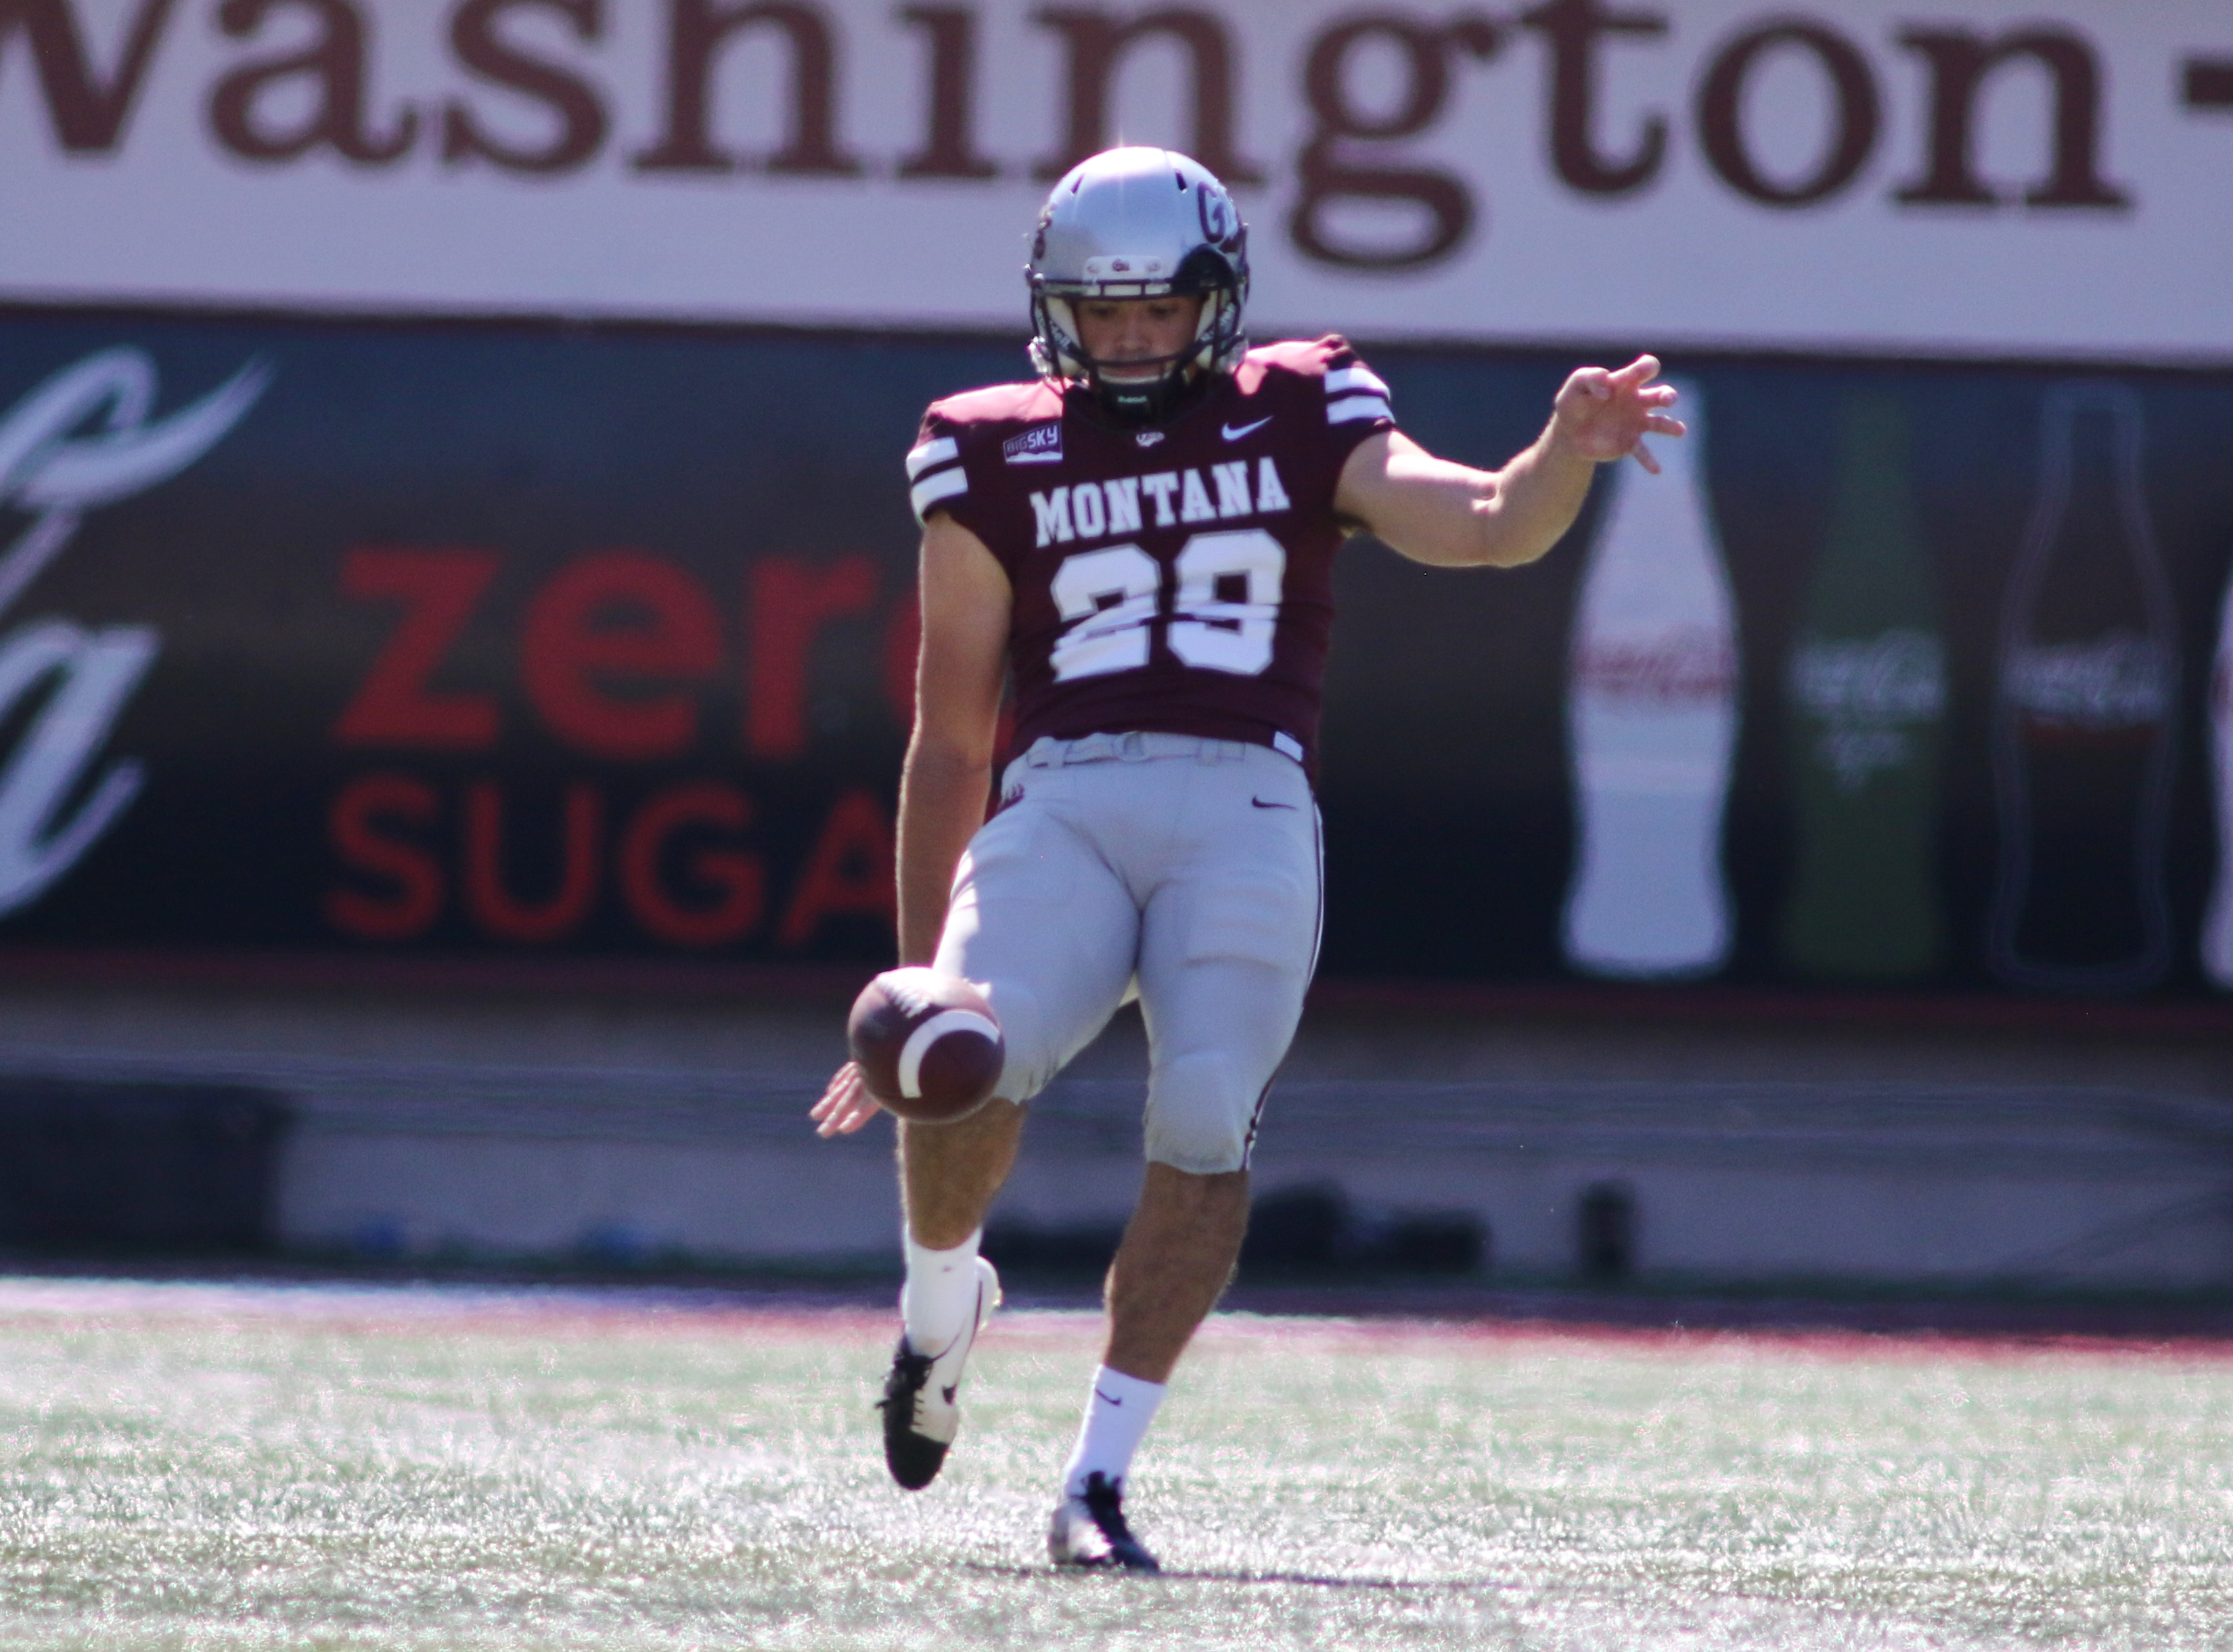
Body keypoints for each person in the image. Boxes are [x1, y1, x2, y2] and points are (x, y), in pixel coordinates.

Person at [810, 145, 1682, 1572]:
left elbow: (1484, 525)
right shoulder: (986, 446)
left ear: (1218, 300)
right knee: (963, 1051)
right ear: (1054, 311)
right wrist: (919, 984)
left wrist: (1560, 454)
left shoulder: (1304, 404)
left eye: (1160, 307)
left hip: (1245, 806)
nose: (1130, 338)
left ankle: (1096, 1483)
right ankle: (937, 1304)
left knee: (1207, 1115)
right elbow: (952, 739)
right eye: (1101, 312)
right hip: (1065, 802)